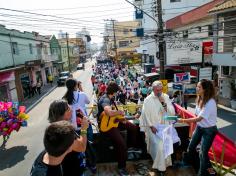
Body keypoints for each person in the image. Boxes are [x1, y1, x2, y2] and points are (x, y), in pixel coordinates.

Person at [97, 81, 140, 176]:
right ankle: (121, 167)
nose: (117, 93)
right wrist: (119, 112)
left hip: (114, 121)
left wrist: (122, 119)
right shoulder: (105, 99)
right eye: (117, 91)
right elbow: (108, 112)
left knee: (133, 127)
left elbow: (112, 115)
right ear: (114, 91)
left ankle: (129, 148)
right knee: (121, 144)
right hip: (107, 126)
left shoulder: (111, 98)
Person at [178, 79, 218, 176]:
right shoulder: (199, 98)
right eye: (197, 86)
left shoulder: (210, 102)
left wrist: (183, 120)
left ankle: (202, 173)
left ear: (205, 89)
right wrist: (192, 129)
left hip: (209, 130)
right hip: (200, 127)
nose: (197, 88)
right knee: (191, 146)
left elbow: (199, 118)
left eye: (199, 87)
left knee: (202, 153)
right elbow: (195, 116)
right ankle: (188, 163)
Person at [139, 81, 176, 175]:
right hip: (153, 129)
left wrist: (164, 104)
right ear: (153, 89)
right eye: (157, 90)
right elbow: (145, 114)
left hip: (164, 127)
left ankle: (163, 166)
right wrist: (151, 126)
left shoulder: (165, 97)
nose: (159, 92)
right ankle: (161, 168)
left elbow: (171, 113)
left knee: (165, 146)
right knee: (159, 147)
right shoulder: (148, 99)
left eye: (160, 90)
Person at [47, 100, 89, 176]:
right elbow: (82, 147)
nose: (72, 110)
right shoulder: (65, 132)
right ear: (62, 114)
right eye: (68, 109)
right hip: (73, 170)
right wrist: (84, 129)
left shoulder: (53, 128)